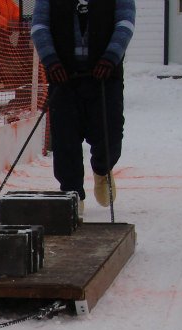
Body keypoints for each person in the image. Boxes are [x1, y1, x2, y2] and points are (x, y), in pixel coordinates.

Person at [31, 0, 136, 214]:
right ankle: (72, 195)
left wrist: (111, 56)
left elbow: (125, 24)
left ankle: (102, 170)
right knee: (65, 141)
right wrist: (50, 60)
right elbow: (39, 26)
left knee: (110, 135)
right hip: (63, 77)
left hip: (105, 77)